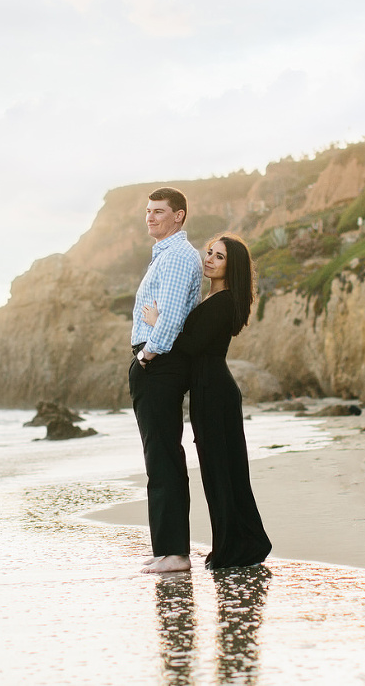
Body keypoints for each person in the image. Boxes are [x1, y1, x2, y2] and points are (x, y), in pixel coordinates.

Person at [142, 234, 272, 569]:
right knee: (218, 473)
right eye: (210, 253)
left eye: (219, 257)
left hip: (216, 394)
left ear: (233, 267)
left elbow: (190, 344)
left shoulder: (226, 300)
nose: (209, 259)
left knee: (223, 472)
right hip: (208, 393)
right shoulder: (213, 297)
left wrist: (159, 324)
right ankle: (236, 544)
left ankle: (241, 547)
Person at [130, 187, 204, 575]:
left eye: (159, 211)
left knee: (162, 458)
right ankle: (167, 549)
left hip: (157, 362)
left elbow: (171, 317)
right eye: (148, 211)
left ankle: (175, 553)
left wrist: (147, 354)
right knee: (159, 457)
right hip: (154, 362)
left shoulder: (176, 257)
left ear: (179, 216)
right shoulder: (166, 255)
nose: (150, 217)